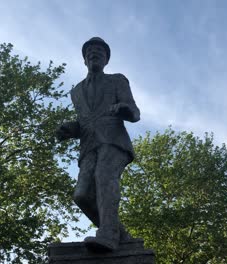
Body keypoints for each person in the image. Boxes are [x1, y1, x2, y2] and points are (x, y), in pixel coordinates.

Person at [56, 37, 140, 252]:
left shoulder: (117, 81)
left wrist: (123, 108)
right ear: (84, 59)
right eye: (90, 51)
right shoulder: (76, 91)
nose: (95, 53)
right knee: (82, 195)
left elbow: (134, 112)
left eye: (100, 51)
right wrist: (70, 129)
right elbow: (85, 122)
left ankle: (108, 235)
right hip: (88, 146)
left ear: (106, 60)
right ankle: (119, 233)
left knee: (104, 177)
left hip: (113, 141)